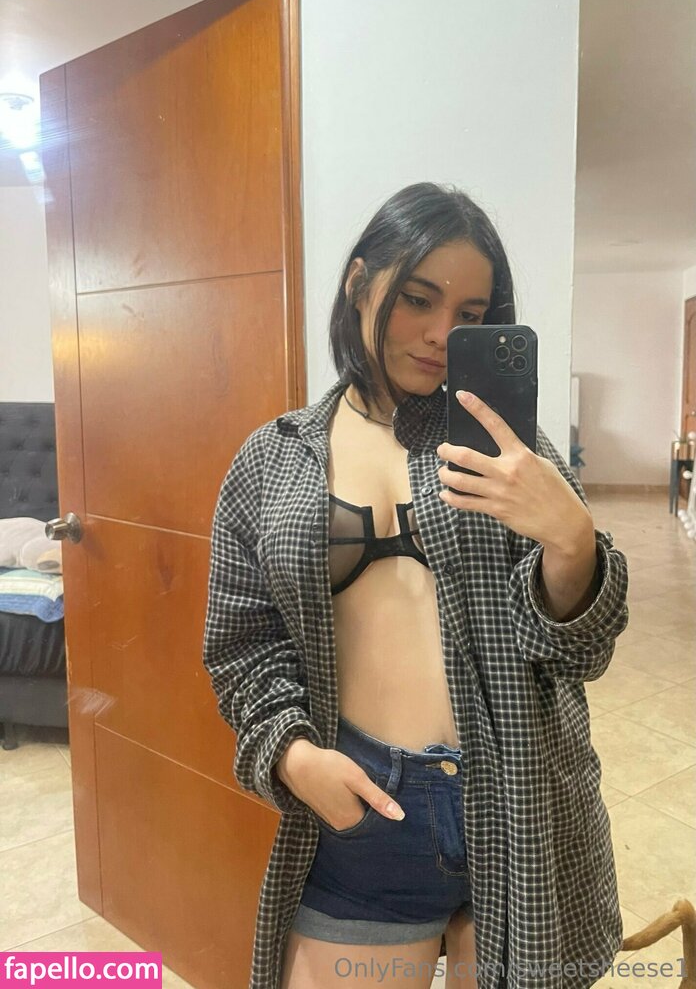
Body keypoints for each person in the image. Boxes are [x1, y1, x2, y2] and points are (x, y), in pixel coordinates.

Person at [203, 182, 629, 989]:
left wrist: (573, 541)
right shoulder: (274, 459)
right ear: (360, 283)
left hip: (521, 800)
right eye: (418, 299)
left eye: (470, 314)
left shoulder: (511, 451)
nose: (440, 335)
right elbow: (242, 646)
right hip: (365, 813)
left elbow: (579, 652)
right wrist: (294, 756)